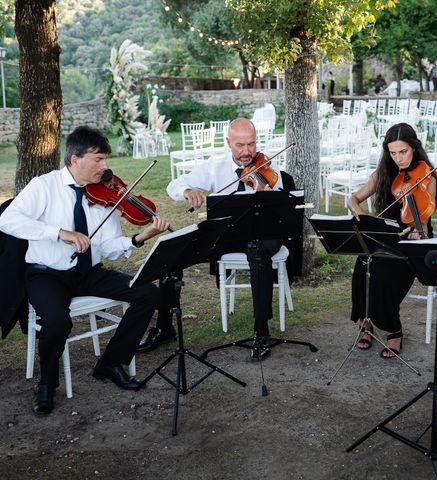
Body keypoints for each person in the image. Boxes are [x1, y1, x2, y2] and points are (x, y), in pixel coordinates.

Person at [0, 126, 171, 416]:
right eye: (98, 160)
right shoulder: (44, 185)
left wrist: (140, 237)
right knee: (57, 321)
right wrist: (59, 233)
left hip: (89, 272)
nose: (105, 167)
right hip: (46, 274)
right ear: (75, 159)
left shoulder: (103, 195)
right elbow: (7, 220)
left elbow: (109, 247)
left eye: (106, 159)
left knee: (146, 293)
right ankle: (47, 384)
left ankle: (111, 363)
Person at [138, 118, 285, 361]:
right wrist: (188, 191)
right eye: (240, 145)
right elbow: (174, 185)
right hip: (226, 234)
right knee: (172, 253)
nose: (247, 152)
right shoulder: (214, 167)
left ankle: (261, 332)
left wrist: (264, 194)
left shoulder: (269, 167)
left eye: (251, 144)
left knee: (257, 251)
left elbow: (280, 206)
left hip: (263, 234)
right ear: (228, 142)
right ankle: (164, 327)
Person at [347, 123, 437, 358]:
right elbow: (353, 199)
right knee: (363, 265)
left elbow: (424, 218)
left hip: (411, 239)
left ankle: (393, 329)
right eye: (393, 152)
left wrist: (421, 232)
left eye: (403, 152)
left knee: (382, 273)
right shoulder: (383, 174)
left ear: (414, 148)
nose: (398, 158)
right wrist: (362, 217)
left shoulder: (426, 175)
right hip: (384, 235)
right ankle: (366, 322)